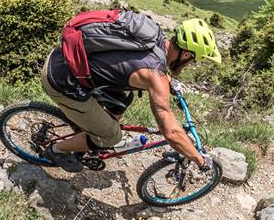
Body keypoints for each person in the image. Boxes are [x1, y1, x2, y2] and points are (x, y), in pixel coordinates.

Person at [40, 13, 222, 172]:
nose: (190, 65)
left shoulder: (155, 36)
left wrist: (168, 82)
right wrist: (199, 159)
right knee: (112, 136)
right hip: (62, 81)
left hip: (63, 59)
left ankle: (93, 136)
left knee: (122, 99)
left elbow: (137, 63)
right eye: (193, 61)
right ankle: (57, 150)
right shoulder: (155, 75)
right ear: (186, 55)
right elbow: (172, 133)